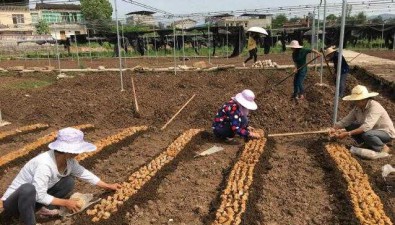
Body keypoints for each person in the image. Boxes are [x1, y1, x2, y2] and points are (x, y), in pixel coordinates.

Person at [1, 127, 122, 225]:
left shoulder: (69, 161)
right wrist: (65, 203)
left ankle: (37, 210)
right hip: (15, 204)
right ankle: (28, 221)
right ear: (66, 150)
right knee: (28, 188)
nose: (79, 152)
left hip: (33, 200)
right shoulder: (45, 164)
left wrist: (106, 185)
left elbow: (83, 173)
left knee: (68, 182)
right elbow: (38, 193)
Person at [329, 85, 395, 152]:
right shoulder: (357, 108)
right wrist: (334, 128)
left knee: (367, 134)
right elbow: (346, 121)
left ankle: (383, 148)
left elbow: (366, 127)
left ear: (363, 100)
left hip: (385, 132)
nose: (354, 102)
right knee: (349, 126)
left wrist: (347, 133)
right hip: (371, 131)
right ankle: (367, 144)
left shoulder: (374, 106)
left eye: (356, 101)